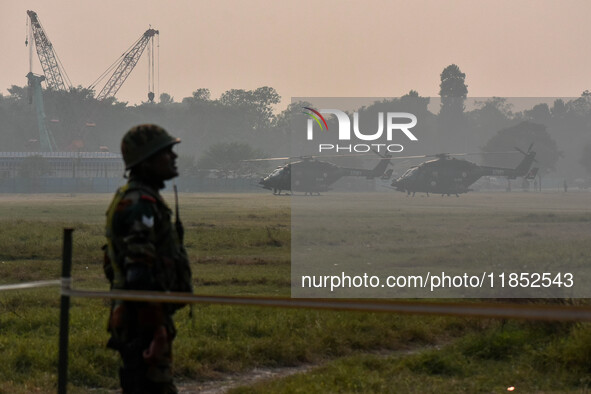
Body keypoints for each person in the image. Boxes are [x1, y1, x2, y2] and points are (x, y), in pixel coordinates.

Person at [103, 124, 193, 394]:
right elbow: (138, 275)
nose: (174, 157)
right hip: (141, 321)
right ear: (147, 160)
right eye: (166, 153)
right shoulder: (140, 203)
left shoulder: (142, 199)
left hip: (142, 317)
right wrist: (156, 331)